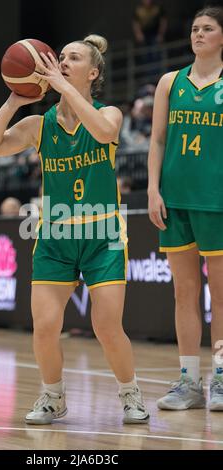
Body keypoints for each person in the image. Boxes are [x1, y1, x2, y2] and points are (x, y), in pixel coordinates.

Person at [0, 34, 149, 425]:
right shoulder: (40, 125)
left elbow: (105, 134)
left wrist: (65, 89)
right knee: (45, 328)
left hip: (102, 235)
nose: (61, 62)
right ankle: (53, 396)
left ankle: (130, 393)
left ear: (92, 72)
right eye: (59, 57)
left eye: (72, 59)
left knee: (106, 327)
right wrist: (14, 101)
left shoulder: (110, 115)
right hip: (55, 237)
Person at [148, 6, 223, 411]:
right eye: (195, 28)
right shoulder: (169, 82)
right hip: (174, 199)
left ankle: (222, 378)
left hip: (216, 200)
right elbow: (157, 140)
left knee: (222, 295)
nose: (198, 34)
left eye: (208, 28)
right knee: (184, 292)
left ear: (222, 37)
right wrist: (152, 190)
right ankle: (189, 382)